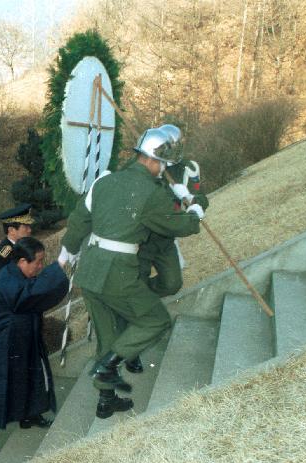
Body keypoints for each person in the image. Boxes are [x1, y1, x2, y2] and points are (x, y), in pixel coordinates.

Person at [59, 126, 204, 419]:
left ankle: (105, 399)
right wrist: (196, 211)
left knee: (107, 334)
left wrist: (68, 250)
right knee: (155, 320)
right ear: (151, 160)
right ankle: (109, 365)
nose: (163, 169)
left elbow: (79, 221)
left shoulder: (105, 182)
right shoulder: (151, 193)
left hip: (90, 271)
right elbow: (181, 226)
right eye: (161, 163)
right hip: (118, 274)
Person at [0, 237, 69, 450]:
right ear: (21, 261)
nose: (40, 266)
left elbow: (37, 291)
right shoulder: (7, 278)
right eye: (38, 262)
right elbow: (30, 294)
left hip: (18, 341)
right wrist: (58, 266)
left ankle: (29, 413)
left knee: (29, 377)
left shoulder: (17, 273)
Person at [0, 203, 34, 291]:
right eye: (26, 227)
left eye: (29, 226)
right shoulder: (0, 257)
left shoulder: (24, 248)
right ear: (12, 230)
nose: (30, 230)